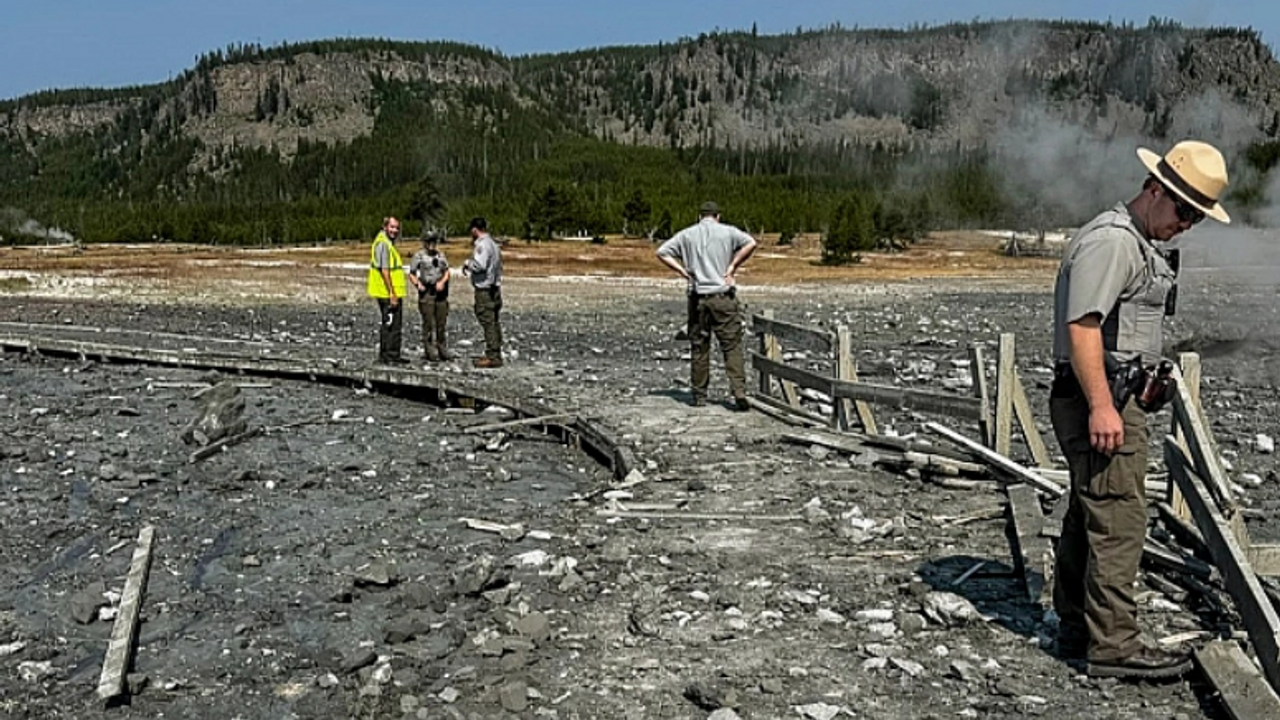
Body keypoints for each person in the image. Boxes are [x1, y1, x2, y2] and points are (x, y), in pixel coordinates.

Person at [1049, 140, 1230, 680]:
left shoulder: (1133, 242)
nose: (1187, 223)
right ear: (1155, 190)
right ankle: (1114, 646)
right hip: (1099, 398)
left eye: (1197, 216)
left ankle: (1079, 627)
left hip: (1110, 393)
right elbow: (1082, 326)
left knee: (1093, 510)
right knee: (1120, 516)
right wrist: (1103, 405)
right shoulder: (1114, 242)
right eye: (1184, 210)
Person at [656, 201, 758, 410]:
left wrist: (683, 271)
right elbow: (751, 243)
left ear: (699, 216)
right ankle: (738, 391)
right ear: (717, 216)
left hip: (697, 296)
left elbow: (662, 252)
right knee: (731, 346)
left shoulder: (686, 234)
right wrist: (732, 267)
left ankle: (699, 396)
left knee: (700, 347)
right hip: (723, 295)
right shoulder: (728, 232)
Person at [462, 216, 504, 368]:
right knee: (493, 320)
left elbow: (480, 265)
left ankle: (493, 356)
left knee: (488, 321)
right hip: (495, 287)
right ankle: (496, 350)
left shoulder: (482, 245)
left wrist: (467, 264)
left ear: (474, 229)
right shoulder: (494, 244)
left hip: (485, 289)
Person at [367, 216, 408, 364]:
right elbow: (385, 271)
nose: (395, 230)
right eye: (392, 227)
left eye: (397, 228)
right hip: (387, 293)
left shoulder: (385, 242)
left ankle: (389, 355)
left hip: (387, 291)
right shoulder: (383, 244)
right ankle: (389, 356)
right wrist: (392, 293)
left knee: (390, 323)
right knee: (392, 325)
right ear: (385, 227)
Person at [408, 230, 454, 363]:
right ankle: (429, 351)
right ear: (425, 243)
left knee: (441, 322)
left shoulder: (441, 255)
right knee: (428, 323)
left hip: (440, 292)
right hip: (426, 291)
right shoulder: (419, 256)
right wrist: (417, 284)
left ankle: (442, 349)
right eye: (429, 242)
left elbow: (447, 272)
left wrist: (442, 282)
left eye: (434, 241)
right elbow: (411, 273)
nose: (432, 244)